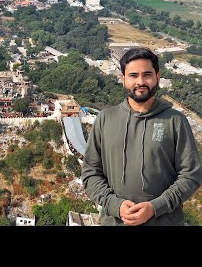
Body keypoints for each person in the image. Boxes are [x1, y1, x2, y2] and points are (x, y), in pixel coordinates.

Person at [81, 47, 202, 226]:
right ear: (123, 79)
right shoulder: (105, 119)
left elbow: (191, 175)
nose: (140, 81)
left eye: (147, 74)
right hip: (115, 221)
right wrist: (115, 205)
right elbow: (90, 173)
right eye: (133, 75)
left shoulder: (175, 121)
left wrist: (155, 207)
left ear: (157, 77)